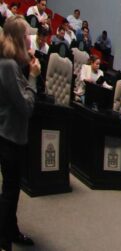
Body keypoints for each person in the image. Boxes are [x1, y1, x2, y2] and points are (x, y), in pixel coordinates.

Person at [0, 16, 41, 249]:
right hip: (8, 137)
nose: (30, 38)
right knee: (9, 191)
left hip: (13, 135)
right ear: (18, 37)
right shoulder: (8, 65)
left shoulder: (12, 63)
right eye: (27, 34)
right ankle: (4, 241)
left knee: (12, 189)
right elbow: (26, 107)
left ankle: (11, 231)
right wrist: (33, 78)